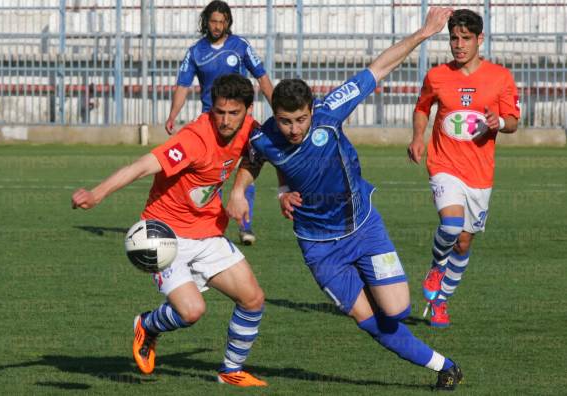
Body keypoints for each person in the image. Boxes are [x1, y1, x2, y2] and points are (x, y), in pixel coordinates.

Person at [227, 7, 463, 391]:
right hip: (320, 248)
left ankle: (373, 283)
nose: (294, 129)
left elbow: (379, 68)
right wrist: (248, 191)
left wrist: (423, 33)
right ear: (275, 114)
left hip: (363, 226)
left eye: (300, 120)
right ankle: (444, 367)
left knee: (397, 311)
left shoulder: (329, 111)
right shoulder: (264, 138)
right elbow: (252, 162)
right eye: (286, 121)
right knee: (369, 321)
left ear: (310, 110)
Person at [72, 74, 267, 387]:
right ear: (211, 108)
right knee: (191, 312)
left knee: (253, 299)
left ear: (248, 109)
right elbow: (141, 167)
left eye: (234, 113)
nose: (226, 120)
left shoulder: (252, 131)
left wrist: (241, 190)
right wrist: (97, 194)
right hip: (164, 236)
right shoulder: (194, 139)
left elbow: (257, 157)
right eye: (219, 112)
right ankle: (148, 326)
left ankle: (230, 372)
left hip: (208, 233)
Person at [407, 9, 520, 328]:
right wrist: (418, 137)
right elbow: (422, 107)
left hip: (480, 173)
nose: (458, 44)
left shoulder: (500, 78)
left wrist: (501, 123)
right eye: (454, 38)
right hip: (444, 164)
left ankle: (441, 301)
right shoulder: (437, 76)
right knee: (452, 224)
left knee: (464, 242)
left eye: (465, 38)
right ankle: (435, 268)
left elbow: (513, 121)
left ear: (479, 39)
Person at [165, 0, 273, 245]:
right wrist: (173, 114)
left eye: (222, 21)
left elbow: (262, 77)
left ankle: (245, 226)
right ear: (206, 22)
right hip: (211, 123)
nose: (217, 26)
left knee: (247, 167)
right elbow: (183, 85)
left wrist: (277, 107)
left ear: (228, 23)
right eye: (213, 21)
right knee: (213, 176)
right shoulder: (195, 52)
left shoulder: (240, 46)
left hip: (240, 120)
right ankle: (212, 226)